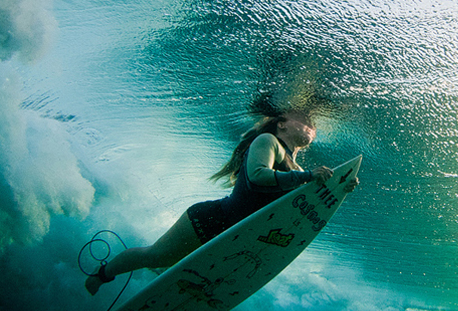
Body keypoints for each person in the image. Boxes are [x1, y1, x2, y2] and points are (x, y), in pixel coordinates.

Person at [86, 111, 359, 295]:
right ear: (282, 123)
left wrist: (340, 189)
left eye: (313, 125)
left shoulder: (298, 169)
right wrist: (308, 176)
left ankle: (164, 270)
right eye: (304, 119)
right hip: (211, 220)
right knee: (155, 255)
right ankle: (102, 274)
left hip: (239, 236)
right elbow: (257, 176)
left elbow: (306, 207)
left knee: (189, 278)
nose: (311, 124)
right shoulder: (269, 141)